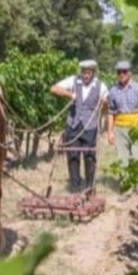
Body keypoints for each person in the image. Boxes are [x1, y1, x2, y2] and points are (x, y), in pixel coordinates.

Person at [51, 59, 109, 192]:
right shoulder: (73, 81)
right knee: (72, 155)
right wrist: (69, 94)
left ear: (93, 72)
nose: (86, 75)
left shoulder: (101, 86)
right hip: (73, 125)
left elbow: (107, 106)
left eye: (88, 73)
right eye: (84, 72)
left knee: (89, 157)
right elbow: (53, 88)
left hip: (90, 127)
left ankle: (89, 187)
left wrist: (104, 103)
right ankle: (75, 187)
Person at [107, 60, 138, 166]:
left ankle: (137, 181)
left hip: (137, 127)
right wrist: (110, 132)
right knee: (122, 158)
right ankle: (124, 180)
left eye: (124, 71)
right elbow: (110, 113)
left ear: (129, 73)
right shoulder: (113, 91)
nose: (121, 74)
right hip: (120, 127)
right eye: (119, 72)